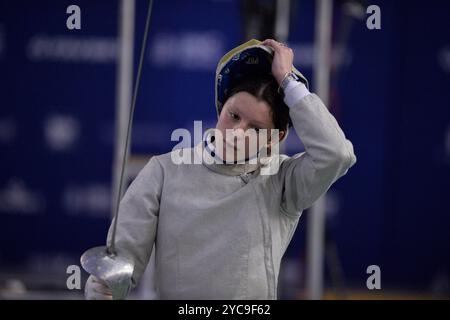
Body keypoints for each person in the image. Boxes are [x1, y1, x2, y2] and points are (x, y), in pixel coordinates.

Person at [85, 39, 357, 299]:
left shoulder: (282, 181)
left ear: (276, 138)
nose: (237, 133)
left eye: (256, 128)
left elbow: (336, 154)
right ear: (220, 109)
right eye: (234, 116)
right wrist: (105, 285)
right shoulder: (164, 172)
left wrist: (288, 81)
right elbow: (120, 261)